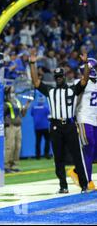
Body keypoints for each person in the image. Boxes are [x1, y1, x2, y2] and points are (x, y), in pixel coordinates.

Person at [29, 51, 90, 193]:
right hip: (55, 125)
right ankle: (63, 186)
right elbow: (36, 82)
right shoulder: (50, 91)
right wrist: (33, 63)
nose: (58, 79)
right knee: (58, 157)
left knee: (76, 156)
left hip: (69, 125)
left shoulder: (72, 90)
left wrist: (86, 63)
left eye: (60, 77)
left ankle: (84, 185)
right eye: (56, 77)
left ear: (64, 77)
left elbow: (84, 80)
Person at [68, 58, 97, 191]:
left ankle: (76, 171)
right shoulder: (80, 83)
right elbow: (75, 99)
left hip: (94, 119)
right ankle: (87, 180)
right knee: (88, 146)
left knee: (93, 150)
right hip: (84, 118)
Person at [4, 85, 30, 173]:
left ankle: (14, 165)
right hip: (10, 126)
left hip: (18, 126)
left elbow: (22, 114)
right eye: (11, 91)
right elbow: (1, 114)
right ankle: (6, 165)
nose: (13, 93)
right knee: (9, 146)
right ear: (7, 93)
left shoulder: (17, 101)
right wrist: (6, 122)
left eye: (14, 91)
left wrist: (26, 105)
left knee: (17, 147)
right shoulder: (5, 102)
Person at [31, 92, 51, 159]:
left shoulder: (34, 107)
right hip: (45, 126)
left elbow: (32, 114)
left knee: (38, 141)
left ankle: (38, 156)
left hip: (37, 127)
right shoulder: (46, 108)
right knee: (47, 140)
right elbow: (49, 116)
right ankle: (46, 155)